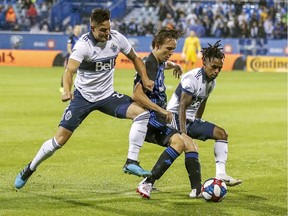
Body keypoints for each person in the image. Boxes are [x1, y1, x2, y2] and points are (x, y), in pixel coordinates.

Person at [14, 8, 159, 190]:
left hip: (107, 96)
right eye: (103, 30)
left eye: (108, 28)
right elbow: (69, 71)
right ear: (92, 28)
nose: (107, 33)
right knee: (58, 141)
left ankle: (131, 161)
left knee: (142, 114)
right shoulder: (83, 46)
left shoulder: (117, 38)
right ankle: (29, 168)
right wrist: (67, 90)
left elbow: (135, 58)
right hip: (83, 98)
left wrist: (145, 78)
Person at [129, 27, 202, 199]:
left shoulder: (157, 61)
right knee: (178, 143)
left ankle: (197, 190)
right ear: (156, 45)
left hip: (159, 116)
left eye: (173, 50)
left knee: (189, 144)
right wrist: (161, 109)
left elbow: (165, 64)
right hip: (149, 117)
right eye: (167, 49)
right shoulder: (150, 65)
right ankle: (147, 182)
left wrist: (174, 65)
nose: (170, 53)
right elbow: (136, 94)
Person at [167, 40, 242, 186]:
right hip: (175, 117)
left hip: (189, 119)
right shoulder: (192, 79)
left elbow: (203, 101)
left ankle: (221, 174)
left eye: (219, 68)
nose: (216, 71)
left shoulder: (211, 82)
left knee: (222, 134)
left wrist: (198, 121)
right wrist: (183, 133)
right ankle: (149, 181)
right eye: (214, 67)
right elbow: (182, 106)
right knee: (180, 146)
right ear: (204, 64)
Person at [59, 24, 82, 93]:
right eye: (77, 28)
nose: (78, 30)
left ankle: (77, 87)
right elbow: (69, 47)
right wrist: (72, 54)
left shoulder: (80, 38)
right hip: (71, 57)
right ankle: (62, 86)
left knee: (77, 72)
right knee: (67, 71)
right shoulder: (71, 37)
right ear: (74, 29)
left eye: (79, 29)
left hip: (78, 58)